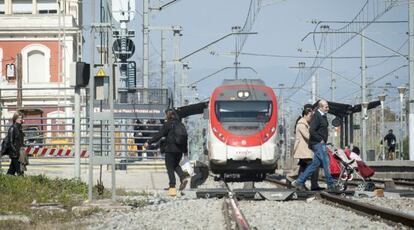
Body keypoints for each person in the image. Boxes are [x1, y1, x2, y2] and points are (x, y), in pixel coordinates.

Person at [144, 109, 190, 196]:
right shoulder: (181, 124)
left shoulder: (168, 124)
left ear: (169, 115)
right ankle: (183, 178)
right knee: (176, 165)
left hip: (170, 150)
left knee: (170, 168)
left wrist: (149, 142)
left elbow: (159, 135)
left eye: (165, 114)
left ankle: (172, 188)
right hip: (179, 150)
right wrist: (185, 151)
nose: (164, 116)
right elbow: (185, 138)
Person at [292, 100, 335, 191]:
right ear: (320, 107)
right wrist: (320, 139)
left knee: (314, 164)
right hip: (318, 144)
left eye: (327, 106)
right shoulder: (317, 116)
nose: (328, 108)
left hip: (319, 144)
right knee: (325, 162)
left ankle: (299, 181)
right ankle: (331, 184)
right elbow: (311, 131)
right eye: (326, 107)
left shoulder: (322, 116)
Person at [291, 107, 323, 191]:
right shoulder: (301, 124)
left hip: (305, 149)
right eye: (310, 115)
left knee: (303, 166)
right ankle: (301, 182)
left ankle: (301, 184)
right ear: (305, 115)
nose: (311, 117)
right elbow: (308, 136)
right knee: (312, 164)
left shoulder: (305, 123)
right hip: (303, 150)